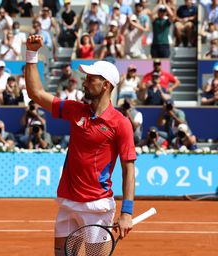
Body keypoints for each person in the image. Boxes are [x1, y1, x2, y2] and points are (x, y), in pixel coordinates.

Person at [25, 34, 136, 255]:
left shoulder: (121, 124)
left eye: (90, 78)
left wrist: (127, 212)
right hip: (67, 201)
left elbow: (128, 170)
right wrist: (31, 53)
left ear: (105, 85)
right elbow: (36, 94)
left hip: (98, 206)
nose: (84, 81)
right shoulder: (76, 109)